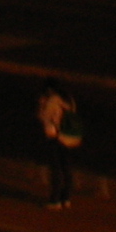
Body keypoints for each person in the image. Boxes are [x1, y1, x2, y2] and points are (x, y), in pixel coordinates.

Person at [37, 78, 78, 209]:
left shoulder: (52, 100)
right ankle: (66, 197)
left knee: (56, 168)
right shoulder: (68, 99)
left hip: (55, 136)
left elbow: (44, 117)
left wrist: (42, 105)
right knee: (67, 167)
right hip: (69, 137)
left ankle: (55, 200)